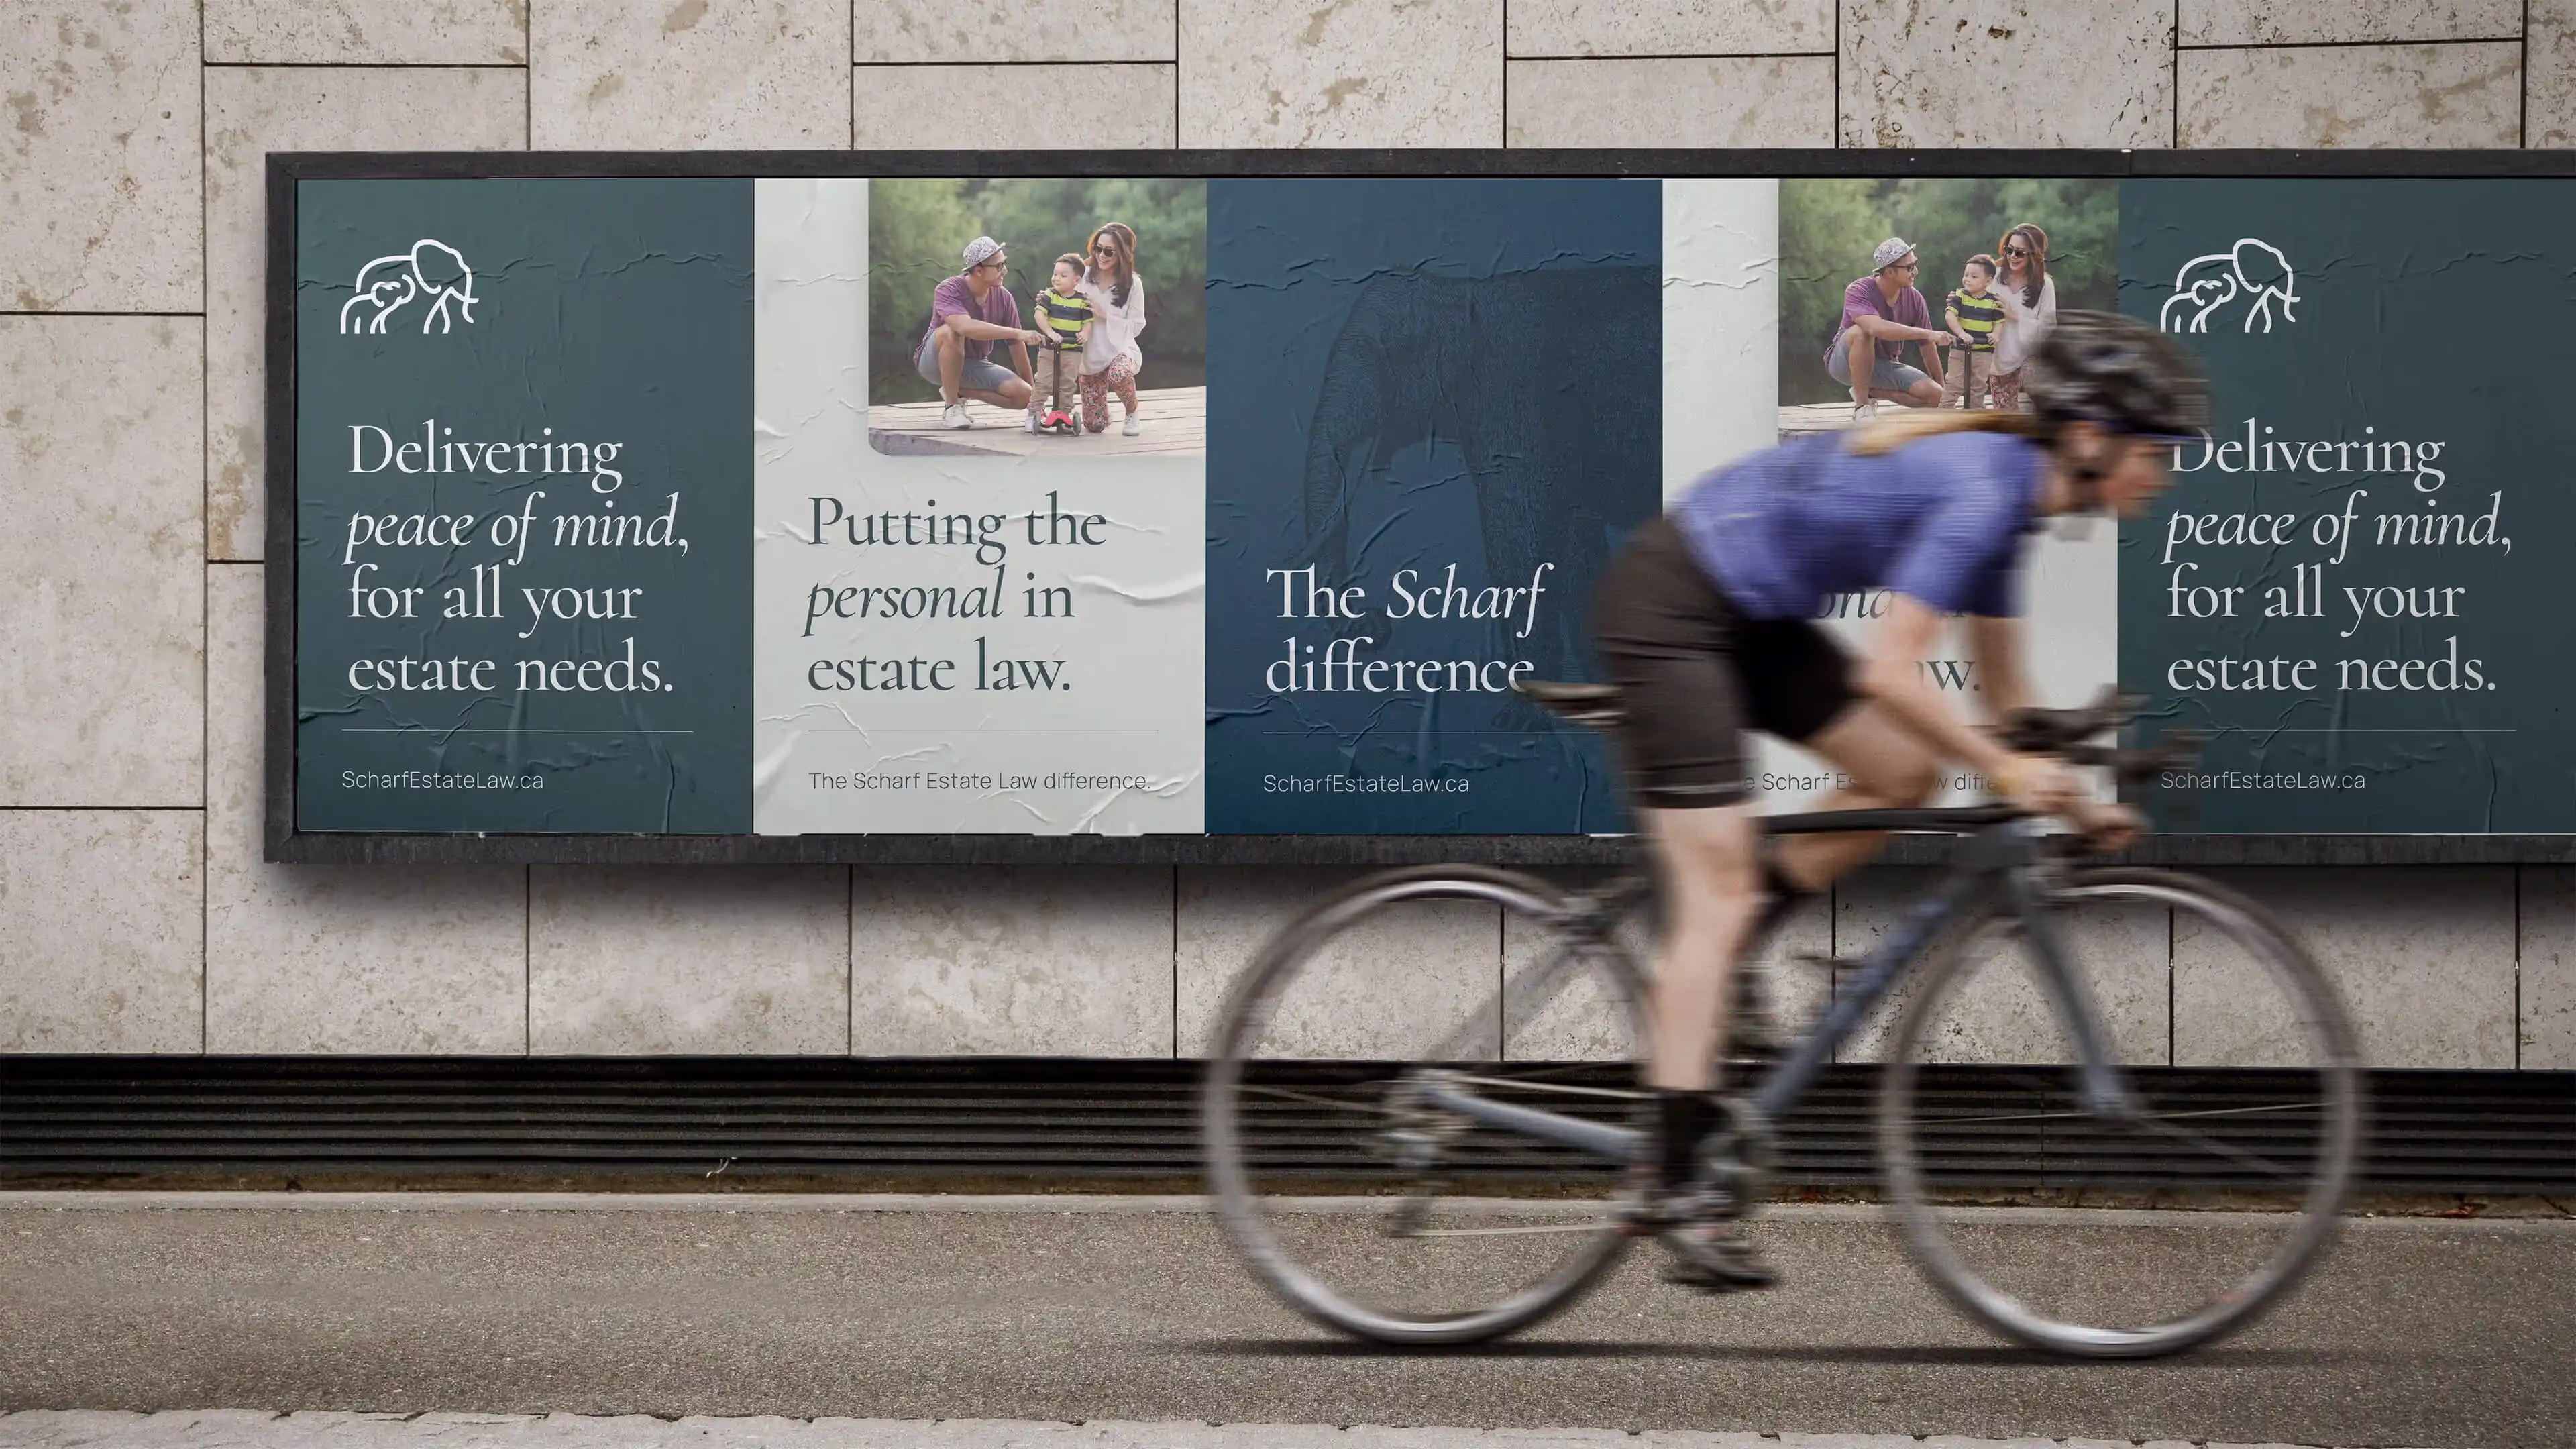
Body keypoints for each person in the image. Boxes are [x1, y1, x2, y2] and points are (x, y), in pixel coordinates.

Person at [1591, 312, 2206, 1290]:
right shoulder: (1982, 491)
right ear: (2091, 439)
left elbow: (2004, 706)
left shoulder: (2017, 508)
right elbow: (1890, 673)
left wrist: (2077, 795)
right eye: (2155, 450)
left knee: (1904, 775)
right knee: (1711, 906)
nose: (2164, 473)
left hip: (1751, 614)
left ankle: (1738, 939)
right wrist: (2011, 777)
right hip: (1678, 607)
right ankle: (1674, 1183)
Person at [916, 235, 1049, 430]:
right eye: (999, 266)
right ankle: (952, 407)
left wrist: (1035, 401)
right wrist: (1016, 333)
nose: (1005, 270)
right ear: (978, 271)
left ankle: (959, 390)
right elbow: (965, 327)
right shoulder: (948, 289)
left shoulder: (1004, 298)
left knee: (1024, 395)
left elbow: (1016, 347)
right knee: (953, 331)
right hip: (934, 362)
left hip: (974, 364)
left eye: (1005, 263)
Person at [1827, 238, 1950, 420]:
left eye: (1915, 264)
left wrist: (1944, 397)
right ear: (1890, 272)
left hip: (1884, 364)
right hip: (1844, 363)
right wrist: (1928, 333)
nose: (1915, 271)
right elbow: (1874, 328)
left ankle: (1873, 392)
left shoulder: (1915, 299)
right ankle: (1862, 408)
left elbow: (1928, 348)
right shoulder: (1859, 289)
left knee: (1935, 396)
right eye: (1909, 267)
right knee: (1862, 332)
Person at [1077, 221, 1148, 437]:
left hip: (1121, 350)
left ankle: (1132, 412)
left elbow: (1137, 325)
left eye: (1109, 251)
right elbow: (1062, 296)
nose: (1101, 255)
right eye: (1098, 249)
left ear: (1123, 253)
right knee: (1095, 425)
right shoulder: (1082, 275)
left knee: (1119, 375)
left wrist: (1105, 314)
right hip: (1090, 357)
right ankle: (1103, 412)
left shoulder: (1133, 284)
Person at [1990, 223, 2058, 411]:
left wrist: (2014, 316)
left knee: (2042, 397)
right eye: (2009, 250)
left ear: (2034, 255)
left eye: (2019, 253)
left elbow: (2049, 330)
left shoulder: (2045, 285)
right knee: (2005, 423)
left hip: (2031, 359)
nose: (2012, 256)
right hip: (1999, 363)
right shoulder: (1993, 278)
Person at [1028, 253, 1096, 433]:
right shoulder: (1049, 295)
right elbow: (1039, 314)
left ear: (1076, 280)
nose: (1056, 278)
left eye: (1063, 275)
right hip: (1050, 348)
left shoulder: (1082, 300)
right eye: (1055, 274)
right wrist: (1050, 332)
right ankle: (1034, 413)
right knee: (1043, 381)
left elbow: (1088, 321)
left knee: (1068, 383)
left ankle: (1063, 415)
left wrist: (1085, 333)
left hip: (1072, 350)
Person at [1943, 254, 2005, 409]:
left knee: (1978, 386)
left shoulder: (1994, 301)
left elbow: (2000, 322)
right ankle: (1944, 412)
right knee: (1954, 384)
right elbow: (1950, 316)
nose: (1967, 279)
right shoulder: (1960, 296)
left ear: (1988, 282)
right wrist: (1961, 333)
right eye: (1966, 275)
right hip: (1960, 350)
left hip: (1983, 352)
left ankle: (1974, 415)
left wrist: (1996, 334)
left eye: (1974, 276)